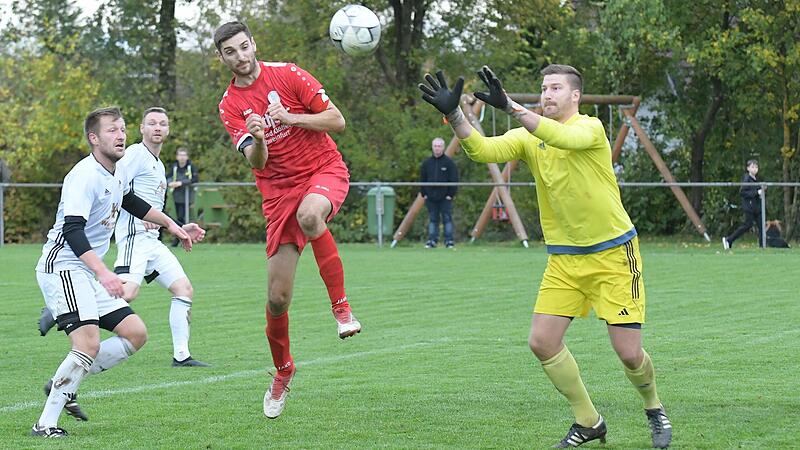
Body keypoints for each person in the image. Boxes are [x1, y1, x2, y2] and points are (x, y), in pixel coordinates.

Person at [419, 65, 672, 448]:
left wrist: (513, 107)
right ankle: (589, 421)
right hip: (564, 260)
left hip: (614, 256)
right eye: (543, 88)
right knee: (541, 342)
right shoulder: (527, 135)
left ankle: (653, 407)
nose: (547, 93)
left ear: (575, 96)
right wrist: (456, 116)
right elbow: (482, 149)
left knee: (628, 353)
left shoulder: (589, 129)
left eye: (556, 88)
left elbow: (558, 137)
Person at [213, 21, 362, 419]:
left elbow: (337, 121)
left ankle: (342, 309)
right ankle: (282, 371)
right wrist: (259, 137)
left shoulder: (289, 74)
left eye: (245, 47)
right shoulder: (229, 106)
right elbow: (255, 162)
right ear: (222, 58)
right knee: (277, 300)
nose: (241, 56)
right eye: (231, 52)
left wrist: (291, 119)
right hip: (277, 194)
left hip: (322, 171)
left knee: (312, 214)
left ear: (253, 44)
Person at [31, 107, 192, 437]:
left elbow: (131, 201)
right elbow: (73, 231)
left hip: (86, 271)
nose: (120, 136)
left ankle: (65, 385)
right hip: (62, 266)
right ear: (94, 138)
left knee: (135, 334)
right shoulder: (84, 175)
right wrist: (104, 272)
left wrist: (172, 225)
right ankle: (45, 423)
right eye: (111, 131)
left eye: (122, 129)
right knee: (87, 344)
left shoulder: (116, 173)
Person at [419, 137, 458, 248]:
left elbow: (454, 179)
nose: (437, 148)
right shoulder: (427, 163)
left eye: (439, 146)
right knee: (433, 219)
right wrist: (424, 194)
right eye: (435, 146)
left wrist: (450, 195)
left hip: (445, 197)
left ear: (443, 147)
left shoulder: (449, 163)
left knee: (447, 218)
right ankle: (432, 241)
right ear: (432, 147)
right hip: (430, 197)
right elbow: (422, 179)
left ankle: (449, 241)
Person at [723, 159, 764, 249]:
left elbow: (757, 192)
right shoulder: (746, 179)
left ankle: (762, 246)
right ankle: (729, 239)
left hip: (757, 207)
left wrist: (761, 193)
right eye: (752, 167)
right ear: (748, 168)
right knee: (747, 225)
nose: (755, 169)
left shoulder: (756, 180)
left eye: (756, 167)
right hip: (749, 207)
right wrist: (757, 193)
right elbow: (743, 192)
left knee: (761, 226)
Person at [167, 147, 198, 227]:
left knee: (186, 216)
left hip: (189, 196)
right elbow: (168, 177)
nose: (182, 157)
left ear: (187, 157)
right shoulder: (174, 167)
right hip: (177, 196)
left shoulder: (191, 167)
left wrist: (181, 183)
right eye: (180, 155)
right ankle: (180, 234)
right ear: (177, 157)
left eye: (184, 155)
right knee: (179, 216)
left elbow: (195, 178)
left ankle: (184, 234)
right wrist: (170, 183)